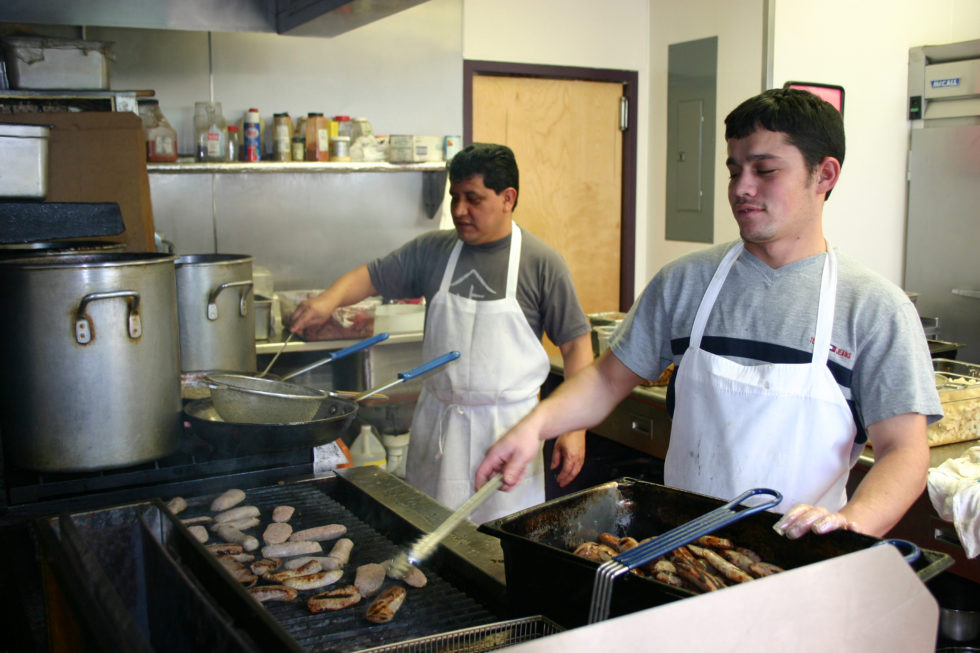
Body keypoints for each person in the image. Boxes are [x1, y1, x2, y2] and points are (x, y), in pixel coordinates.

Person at [476, 89, 943, 539]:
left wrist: (852, 524)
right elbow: (606, 380)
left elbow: (903, 451)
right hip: (681, 551)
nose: (742, 188)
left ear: (825, 175)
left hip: (803, 561)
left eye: (764, 170)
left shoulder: (873, 309)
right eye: (734, 170)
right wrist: (534, 426)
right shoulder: (685, 282)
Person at [289, 143, 594, 523]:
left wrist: (575, 427)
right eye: (455, 197)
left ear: (507, 198)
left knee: (503, 541)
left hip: (509, 431)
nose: (459, 210)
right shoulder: (433, 250)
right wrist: (327, 301)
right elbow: (372, 276)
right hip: (440, 425)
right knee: (430, 535)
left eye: (473, 199)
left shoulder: (542, 263)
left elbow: (577, 347)